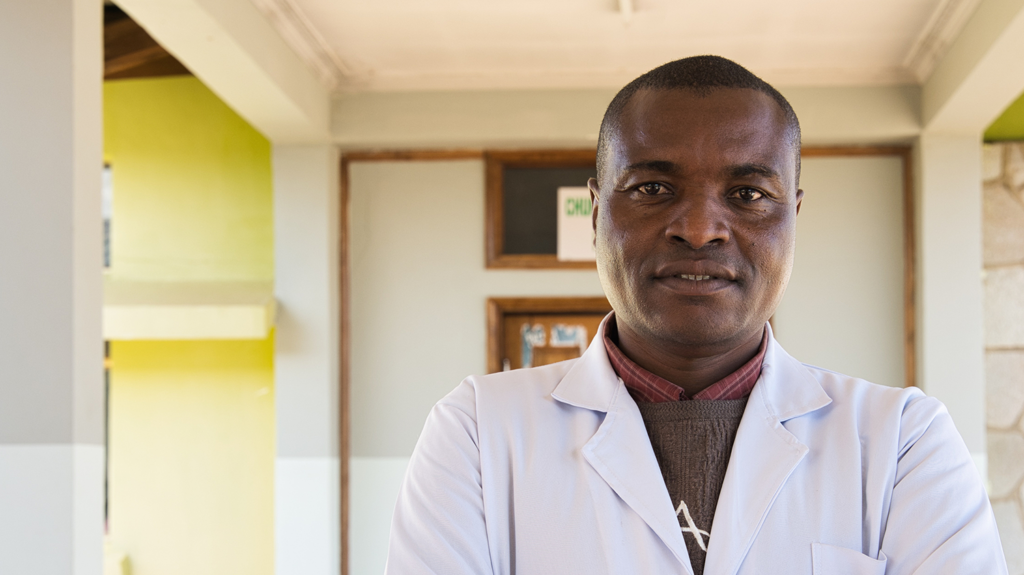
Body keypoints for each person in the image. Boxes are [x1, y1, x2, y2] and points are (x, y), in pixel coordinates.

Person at [384, 56, 1008, 574]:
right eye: (653, 189)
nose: (701, 229)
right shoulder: (476, 432)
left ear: (793, 215)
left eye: (748, 195)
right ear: (597, 216)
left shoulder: (902, 441)